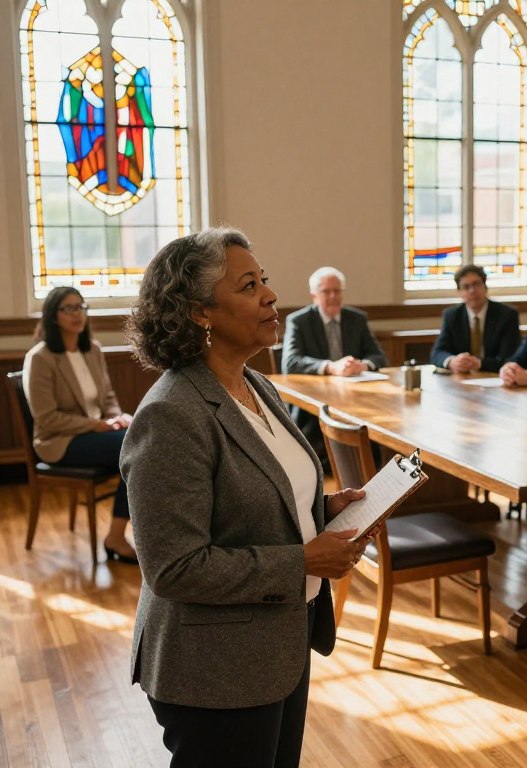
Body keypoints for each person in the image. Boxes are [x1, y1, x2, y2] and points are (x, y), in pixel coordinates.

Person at [121, 228, 374, 767]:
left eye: (265, 280)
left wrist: (321, 511)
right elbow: (174, 567)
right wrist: (302, 559)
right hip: (215, 666)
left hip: (279, 640)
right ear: (200, 312)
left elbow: (259, 498)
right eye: (248, 284)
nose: (270, 295)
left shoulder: (257, 385)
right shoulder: (172, 415)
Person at [23, 287, 137, 564]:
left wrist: (116, 417)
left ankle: (124, 533)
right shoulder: (40, 358)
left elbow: (108, 398)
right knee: (134, 448)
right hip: (59, 441)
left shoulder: (93, 350)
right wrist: (95, 424)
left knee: (141, 441)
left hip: (98, 432)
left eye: (81, 307)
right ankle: (117, 537)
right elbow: (47, 418)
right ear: (53, 316)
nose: (77, 314)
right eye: (68, 308)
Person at [281, 266, 387, 453]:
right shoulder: (299, 321)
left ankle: (369, 466)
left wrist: (362, 365)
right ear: (314, 295)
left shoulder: (357, 319)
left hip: (356, 397)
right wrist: (331, 367)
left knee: (376, 422)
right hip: (315, 403)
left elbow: (378, 356)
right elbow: (290, 362)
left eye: (337, 291)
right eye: (326, 291)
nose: (332, 296)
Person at [430, 265, 521, 373]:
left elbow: (510, 358)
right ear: (459, 292)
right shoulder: (452, 315)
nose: (472, 291)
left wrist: (479, 363)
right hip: (461, 380)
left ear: (485, 287)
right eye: (466, 287)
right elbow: (437, 353)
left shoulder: (507, 315)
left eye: (476, 284)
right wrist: (452, 361)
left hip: (495, 376)